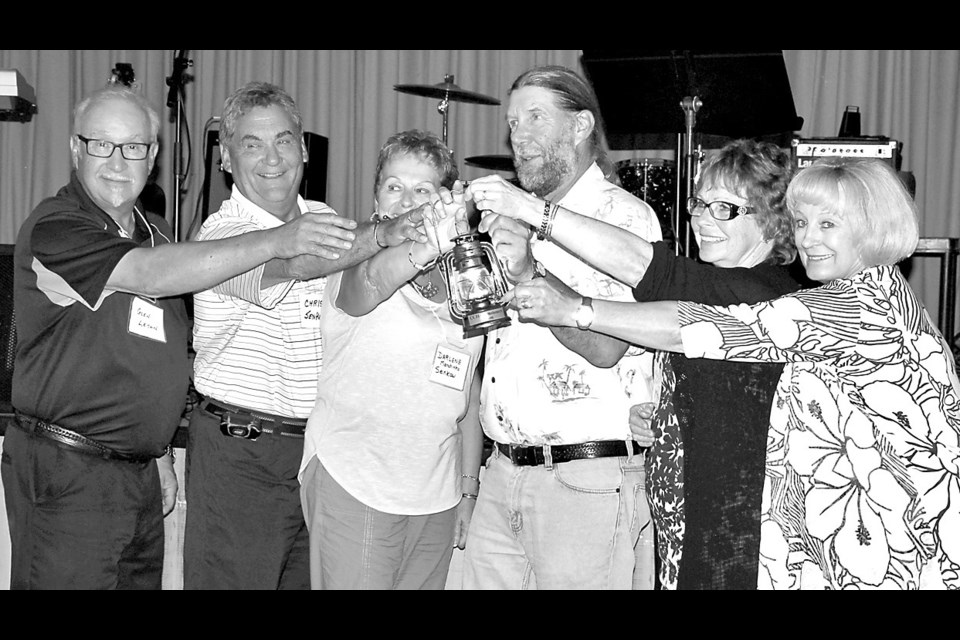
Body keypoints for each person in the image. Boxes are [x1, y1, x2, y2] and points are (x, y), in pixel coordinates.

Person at [510, 157, 960, 590]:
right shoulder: (867, 294)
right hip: (847, 542)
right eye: (802, 223)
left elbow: (700, 327)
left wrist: (577, 310)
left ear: (874, 228)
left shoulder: (858, 307)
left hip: (889, 547)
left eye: (828, 224)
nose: (808, 239)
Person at [2, 84, 356, 590]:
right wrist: (281, 239)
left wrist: (161, 452)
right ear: (76, 149)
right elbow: (146, 275)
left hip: (138, 472)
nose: (118, 161)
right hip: (67, 470)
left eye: (135, 147)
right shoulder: (58, 226)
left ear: (153, 155)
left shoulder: (159, 232)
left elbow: (161, 356)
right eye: (102, 144)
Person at [490, 139, 803, 589]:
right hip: (690, 516)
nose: (702, 219)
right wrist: (663, 417)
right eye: (699, 203)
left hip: (742, 529)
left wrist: (574, 305)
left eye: (726, 209)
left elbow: (653, 274)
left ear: (772, 223)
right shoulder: (713, 284)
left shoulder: (764, 291)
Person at [183, 82, 421, 590]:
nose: (272, 159)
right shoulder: (220, 237)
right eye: (252, 144)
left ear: (305, 149)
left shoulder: (328, 220)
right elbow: (294, 263)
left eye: (285, 140)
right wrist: (385, 233)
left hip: (322, 457)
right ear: (225, 159)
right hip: (241, 454)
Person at [460, 65, 661, 590]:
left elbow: (606, 348)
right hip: (502, 470)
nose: (517, 136)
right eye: (511, 122)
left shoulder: (624, 219)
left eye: (535, 118)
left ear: (580, 126)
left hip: (586, 480)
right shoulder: (512, 217)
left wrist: (530, 271)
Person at [298, 129, 484, 590]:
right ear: (377, 194)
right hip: (356, 480)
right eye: (394, 186)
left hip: (435, 495)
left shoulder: (467, 277)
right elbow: (374, 286)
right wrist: (429, 242)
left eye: (423, 189)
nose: (407, 201)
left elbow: (468, 390)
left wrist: (467, 486)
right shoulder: (350, 255)